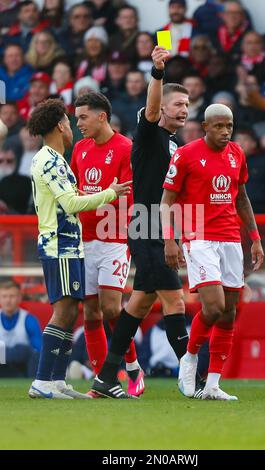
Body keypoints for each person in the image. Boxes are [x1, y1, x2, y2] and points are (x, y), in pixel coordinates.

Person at [90, 46, 198, 400]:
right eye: (178, 105)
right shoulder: (150, 133)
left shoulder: (174, 143)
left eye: (187, 105)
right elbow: (151, 108)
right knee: (176, 302)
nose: (184, 110)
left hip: (159, 226)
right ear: (162, 109)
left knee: (137, 305)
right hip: (146, 225)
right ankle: (192, 380)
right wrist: (157, 73)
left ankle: (106, 377)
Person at [27, 98, 131, 399]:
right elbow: (71, 204)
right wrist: (110, 192)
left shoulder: (54, 159)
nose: (74, 126)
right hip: (60, 244)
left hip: (69, 244)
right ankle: (42, 381)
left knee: (71, 311)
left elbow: (71, 195)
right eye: (70, 121)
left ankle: (57, 379)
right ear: (60, 126)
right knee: (63, 313)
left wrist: (95, 193)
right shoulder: (49, 160)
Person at [161, 103, 264, 400]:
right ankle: (189, 357)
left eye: (229, 126)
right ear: (205, 127)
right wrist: (170, 240)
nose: (225, 131)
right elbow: (166, 200)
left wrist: (255, 238)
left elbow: (242, 198)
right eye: (218, 126)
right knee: (215, 306)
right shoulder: (185, 155)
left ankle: (213, 385)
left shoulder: (236, 154)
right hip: (198, 238)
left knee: (229, 312)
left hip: (231, 238)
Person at [71, 91, 144, 397]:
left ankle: (132, 366)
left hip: (113, 238)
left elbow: (128, 194)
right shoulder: (80, 149)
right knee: (90, 313)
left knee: (111, 307)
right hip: (84, 239)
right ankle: (104, 383)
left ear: (102, 116)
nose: (79, 124)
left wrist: (100, 198)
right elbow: (74, 191)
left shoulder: (126, 148)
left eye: (83, 117)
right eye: (76, 118)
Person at [0, 280, 41, 378]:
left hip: (22, 368)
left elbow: (39, 349)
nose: (8, 300)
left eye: (12, 296)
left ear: (19, 298)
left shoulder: (29, 319)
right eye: (4, 296)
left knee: (25, 351)